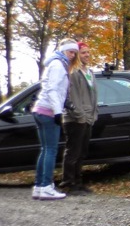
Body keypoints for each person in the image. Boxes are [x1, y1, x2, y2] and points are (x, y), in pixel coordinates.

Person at [31, 39, 79, 200]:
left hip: (41, 109)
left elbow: (54, 90)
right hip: (48, 111)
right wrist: (58, 112)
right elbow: (52, 89)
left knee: (45, 149)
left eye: (75, 53)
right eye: (71, 52)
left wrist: (64, 103)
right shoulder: (58, 65)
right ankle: (46, 186)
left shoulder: (55, 63)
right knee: (50, 150)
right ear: (64, 50)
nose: (73, 55)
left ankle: (39, 186)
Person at [60, 41, 98, 194]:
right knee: (73, 152)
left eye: (88, 52)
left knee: (82, 152)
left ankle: (78, 182)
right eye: (83, 53)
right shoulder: (73, 72)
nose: (87, 55)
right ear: (76, 55)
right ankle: (68, 183)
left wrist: (94, 114)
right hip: (75, 119)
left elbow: (93, 95)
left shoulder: (90, 72)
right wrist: (79, 115)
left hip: (88, 117)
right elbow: (73, 96)